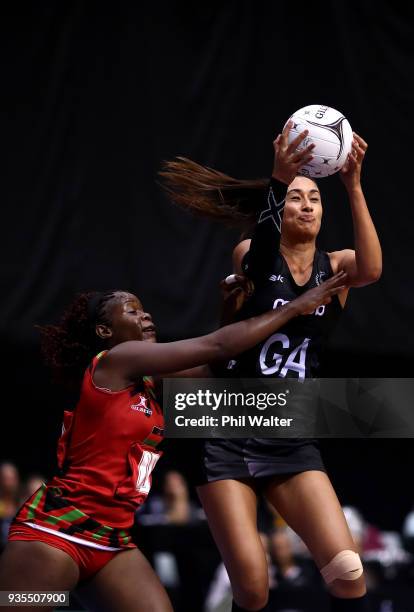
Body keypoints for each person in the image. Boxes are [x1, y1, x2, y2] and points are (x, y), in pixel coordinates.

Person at [0, 248, 344, 611]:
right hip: (56, 531)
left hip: (111, 540)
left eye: (144, 308)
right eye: (132, 311)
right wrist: (295, 306)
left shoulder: (149, 379)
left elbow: (220, 367)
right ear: (105, 331)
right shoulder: (114, 361)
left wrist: (232, 309)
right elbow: (216, 344)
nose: (145, 314)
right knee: (30, 603)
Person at [161, 122, 382, 612]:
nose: (306, 205)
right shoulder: (250, 254)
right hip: (225, 422)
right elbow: (258, 264)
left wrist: (353, 185)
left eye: (315, 199)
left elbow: (372, 269)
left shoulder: (337, 267)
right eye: (295, 198)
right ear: (276, 211)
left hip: (289, 430)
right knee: (254, 589)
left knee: (347, 571)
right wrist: (279, 178)